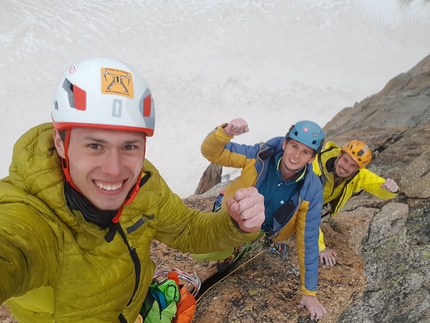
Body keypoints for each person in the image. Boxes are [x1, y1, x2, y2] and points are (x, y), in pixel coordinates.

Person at [0, 57, 266, 323]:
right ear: (60, 142)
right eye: (95, 146)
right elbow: (12, 246)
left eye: (129, 146)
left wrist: (234, 224)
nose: (115, 170)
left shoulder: (144, 183)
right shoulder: (31, 217)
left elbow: (188, 230)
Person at [193, 117, 327, 321]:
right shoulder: (260, 156)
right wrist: (225, 132)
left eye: (305, 152)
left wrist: (309, 292)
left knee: (219, 248)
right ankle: (234, 243)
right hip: (235, 214)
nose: (296, 155)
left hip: (264, 231)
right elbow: (211, 152)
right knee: (199, 252)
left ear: (311, 159)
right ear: (284, 144)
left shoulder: (311, 190)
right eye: (294, 146)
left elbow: (308, 240)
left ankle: (243, 245)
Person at [313, 140, 400, 266]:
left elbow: (378, 186)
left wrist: (392, 189)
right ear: (339, 155)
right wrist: (320, 247)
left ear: (358, 169)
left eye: (353, 166)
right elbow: (306, 211)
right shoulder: (315, 168)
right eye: (345, 160)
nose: (346, 167)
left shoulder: (357, 175)